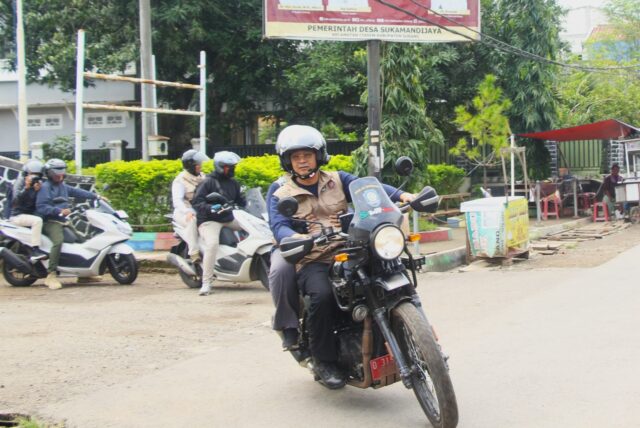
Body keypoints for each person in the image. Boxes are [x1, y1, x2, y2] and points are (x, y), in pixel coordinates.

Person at [268, 125, 415, 389]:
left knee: (388, 273)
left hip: (349, 249)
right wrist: (293, 236)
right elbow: (278, 224)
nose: (302, 160)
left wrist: (403, 195)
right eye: (295, 156)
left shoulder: (337, 179)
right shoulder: (280, 192)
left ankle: (417, 336)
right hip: (314, 256)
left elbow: (372, 190)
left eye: (307, 155)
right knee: (322, 296)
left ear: (318, 156)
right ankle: (324, 361)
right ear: (287, 161)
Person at [35, 158, 100, 290]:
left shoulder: (62, 186)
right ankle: (51, 275)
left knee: (82, 241)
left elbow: (78, 192)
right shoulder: (45, 188)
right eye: (56, 172)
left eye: (62, 172)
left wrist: (96, 196)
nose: (60, 175)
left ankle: (83, 274)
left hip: (63, 221)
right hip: (50, 221)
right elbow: (41, 207)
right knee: (58, 242)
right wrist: (58, 210)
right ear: (49, 173)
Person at [192, 151, 246, 296]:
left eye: (233, 166)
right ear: (220, 166)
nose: (232, 169)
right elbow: (197, 203)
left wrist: (246, 200)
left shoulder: (233, 183)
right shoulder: (208, 182)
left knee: (253, 230)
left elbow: (241, 201)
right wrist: (211, 208)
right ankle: (206, 283)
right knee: (212, 244)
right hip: (210, 220)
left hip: (228, 217)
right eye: (229, 167)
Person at [172, 149, 208, 262]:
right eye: (198, 164)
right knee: (192, 220)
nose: (200, 166)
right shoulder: (180, 180)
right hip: (184, 212)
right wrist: (187, 211)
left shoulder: (203, 177)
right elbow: (177, 201)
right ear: (191, 166)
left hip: (201, 209)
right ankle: (194, 253)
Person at [9, 159, 47, 259]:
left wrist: (37, 191)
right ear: (26, 173)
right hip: (17, 216)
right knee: (37, 221)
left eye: (37, 175)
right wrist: (26, 188)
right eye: (32, 174)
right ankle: (35, 250)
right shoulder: (20, 182)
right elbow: (15, 201)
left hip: (29, 215)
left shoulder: (38, 185)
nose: (34, 177)